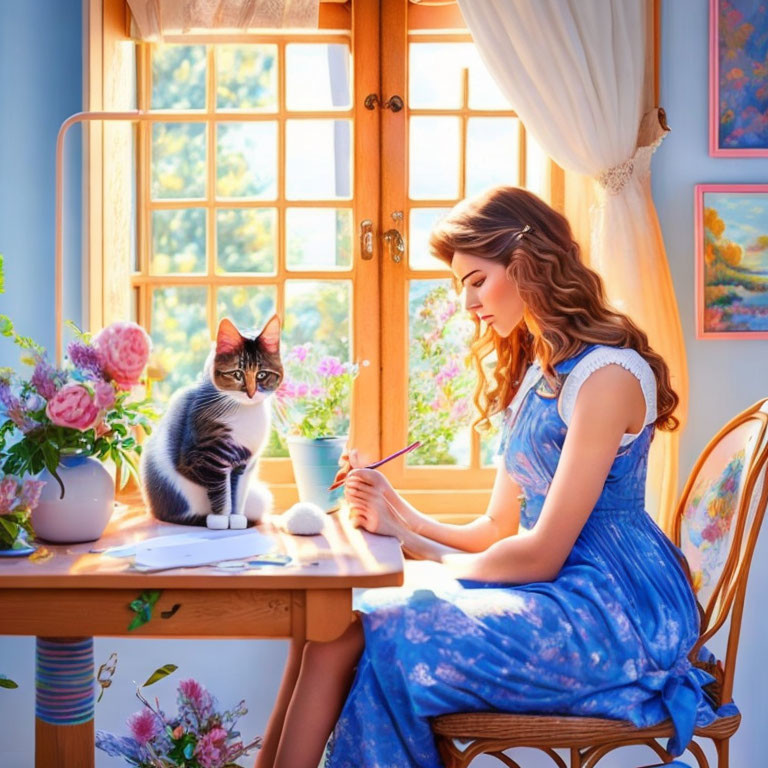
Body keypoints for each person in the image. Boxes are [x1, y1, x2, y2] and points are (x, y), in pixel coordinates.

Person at [256, 186, 724, 768]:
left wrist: (420, 555)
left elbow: (541, 554)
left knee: (355, 632)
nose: (470, 302)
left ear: (525, 262)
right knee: (323, 627)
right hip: (554, 590)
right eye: (462, 287)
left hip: (611, 612)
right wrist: (398, 516)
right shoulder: (540, 370)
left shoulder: (607, 377)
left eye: (477, 280)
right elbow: (497, 528)